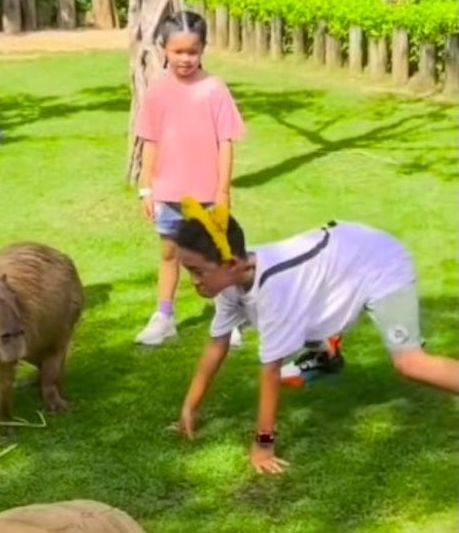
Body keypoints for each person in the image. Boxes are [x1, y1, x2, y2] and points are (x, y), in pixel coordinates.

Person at [172, 198, 459, 474]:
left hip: (379, 261)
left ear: (232, 264)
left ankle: (326, 353)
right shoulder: (231, 279)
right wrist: (189, 406)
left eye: (198, 272)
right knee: (299, 320)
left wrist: (264, 445)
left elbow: (270, 371)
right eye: (188, 271)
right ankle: (327, 357)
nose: (194, 282)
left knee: (410, 363)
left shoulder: (274, 289)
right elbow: (217, 343)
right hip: (340, 262)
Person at [133, 11, 246, 347]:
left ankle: (229, 315)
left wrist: (222, 191)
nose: (185, 59)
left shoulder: (215, 90)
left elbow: (225, 142)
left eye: (192, 51)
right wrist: (146, 189)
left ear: (203, 49)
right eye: (178, 51)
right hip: (167, 193)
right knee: (169, 254)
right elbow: (149, 143)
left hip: (207, 196)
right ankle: (164, 316)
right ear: (163, 49)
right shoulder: (156, 93)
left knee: (214, 257)